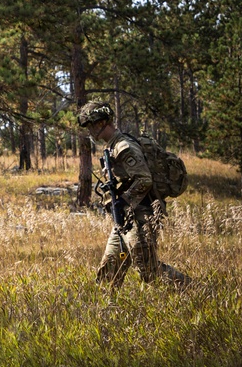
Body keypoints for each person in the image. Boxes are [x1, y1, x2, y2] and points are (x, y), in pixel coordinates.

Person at [77, 102, 189, 288]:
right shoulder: (112, 146)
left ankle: (193, 290)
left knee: (149, 271)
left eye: (91, 125)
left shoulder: (124, 146)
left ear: (103, 122)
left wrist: (124, 200)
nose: (89, 130)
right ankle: (107, 312)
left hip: (140, 215)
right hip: (125, 217)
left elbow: (144, 179)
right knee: (109, 272)